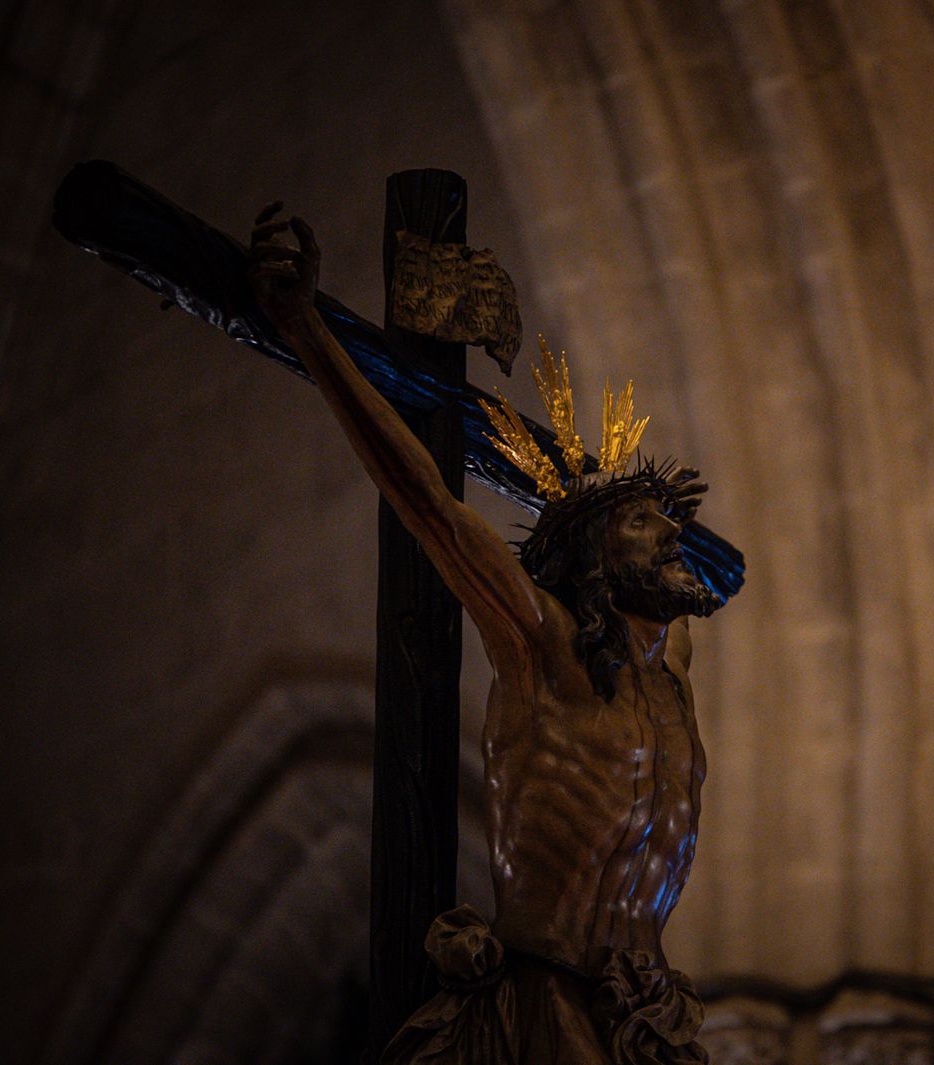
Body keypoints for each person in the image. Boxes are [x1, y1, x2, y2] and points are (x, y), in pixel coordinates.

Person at [249, 204, 723, 1064]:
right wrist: (305, 327)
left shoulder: (673, 674)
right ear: (591, 557)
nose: (670, 536)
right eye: (644, 522)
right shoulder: (542, 645)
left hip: (648, 1025)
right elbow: (425, 496)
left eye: (669, 521)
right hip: (543, 999)